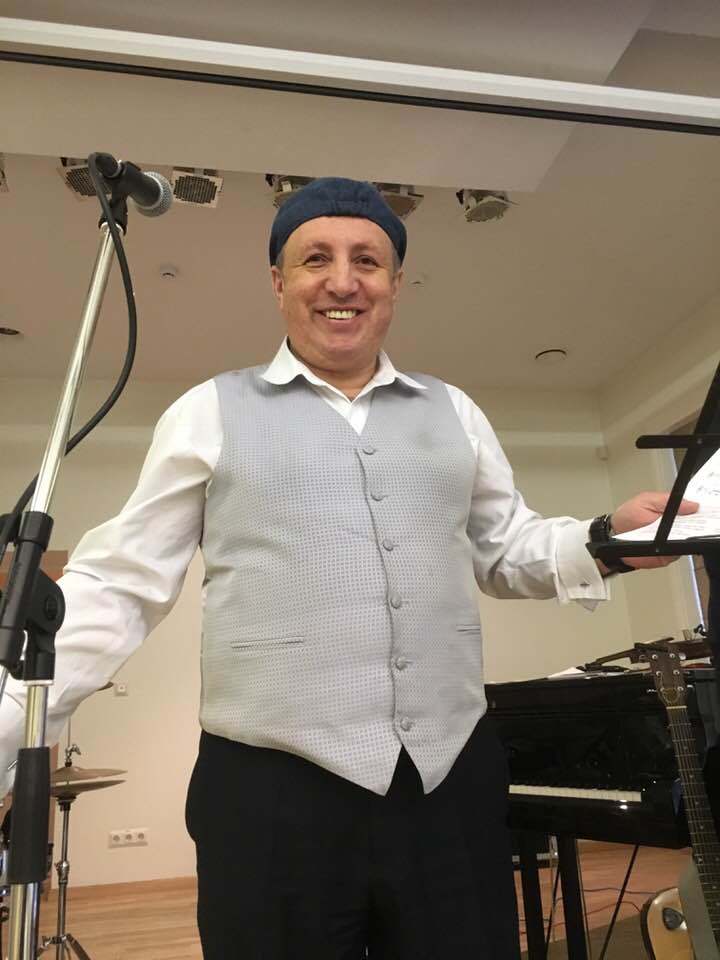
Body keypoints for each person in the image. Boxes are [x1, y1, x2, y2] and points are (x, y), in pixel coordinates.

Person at [0, 177, 699, 959]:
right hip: (269, 796)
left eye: (367, 260)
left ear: (395, 283)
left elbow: (507, 549)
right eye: (315, 260)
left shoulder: (456, 412)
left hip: (448, 784)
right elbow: (122, 582)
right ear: (278, 282)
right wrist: (7, 724)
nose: (342, 281)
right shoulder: (207, 411)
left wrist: (605, 538)